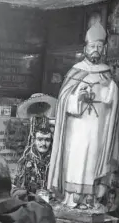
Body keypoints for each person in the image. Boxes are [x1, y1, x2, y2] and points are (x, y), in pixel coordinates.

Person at [47, 22, 119, 210]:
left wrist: (110, 88)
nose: (96, 50)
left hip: (97, 129)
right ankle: (72, 197)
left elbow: (111, 101)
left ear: (103, 49)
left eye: (99, 46)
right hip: (76, 129)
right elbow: (63, 100)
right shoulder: (76, 71)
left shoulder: (106, 73)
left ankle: (91, 198)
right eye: (92, 46)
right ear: (85, 48)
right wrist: (77, 98)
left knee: (94, 161)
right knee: (76, 161)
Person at [14, 117, 53, 195]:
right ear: (34, 140)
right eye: (40, 139)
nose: (43, 144)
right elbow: (18, 187)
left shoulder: (55, 160)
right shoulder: (25, 160)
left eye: (47, 140)